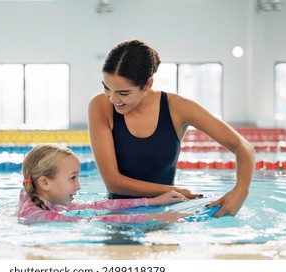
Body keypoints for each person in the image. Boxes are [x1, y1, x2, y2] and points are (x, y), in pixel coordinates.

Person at [88, 39, 255, 218]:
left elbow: (243, 147)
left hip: (166, 214)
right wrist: (174, 190)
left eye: (124, 93)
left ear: (147, 85)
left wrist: (241, 190)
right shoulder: (100, 106)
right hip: (119, 215)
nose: (112, 99)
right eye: (107, 87)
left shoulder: (178, 108)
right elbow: (114, 182)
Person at [17, 144, 191, 225]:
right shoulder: (36, 215)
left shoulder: (41, 200)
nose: (78, 186)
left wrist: (152, 201)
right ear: (45, 182)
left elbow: (96, 206)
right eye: (72, 178)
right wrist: (156, 217)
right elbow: (94, 219)